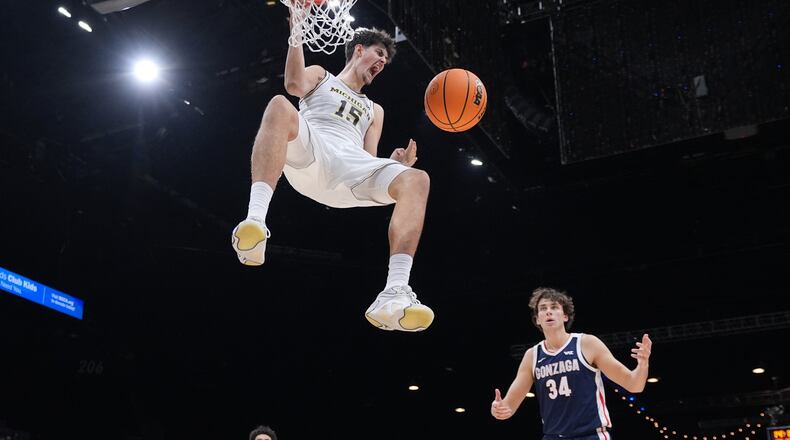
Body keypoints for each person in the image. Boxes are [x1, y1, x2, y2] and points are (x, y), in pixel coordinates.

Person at [230, 11, 434, 332]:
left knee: (417, 179)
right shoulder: (321, 75)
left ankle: (393, 293)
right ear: (359, 50)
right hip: (314, 151)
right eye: (379, 54)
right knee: (280, 105)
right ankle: (254, 225)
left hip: (351, 171)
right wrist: (296, 30)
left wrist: (396, 167)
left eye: (385, 60)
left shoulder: (374, 109)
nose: (381, 62)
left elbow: (368, 158)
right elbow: (293, 84)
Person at [491, 287, 652, 439]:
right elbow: (508, 408)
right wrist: (498, 409)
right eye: (543, 308)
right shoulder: (532, 355)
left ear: (565, 316)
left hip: (590, 435)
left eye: (554, 307)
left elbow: (635, 385)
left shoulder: (587, 344)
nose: (548, 311)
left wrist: (643, 364)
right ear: (537, 319)